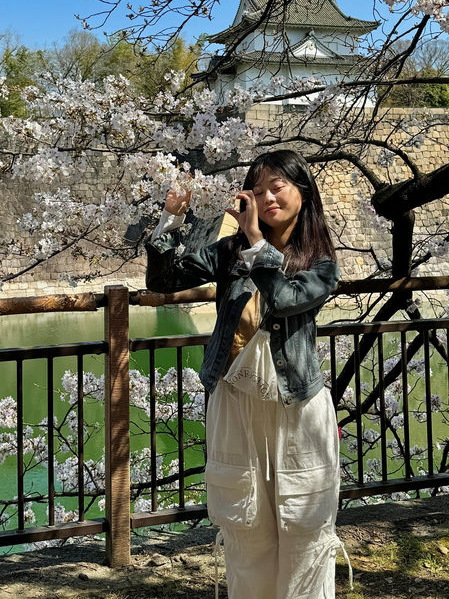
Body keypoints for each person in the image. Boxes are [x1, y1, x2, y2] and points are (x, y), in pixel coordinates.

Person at [145, 149, 350, 599]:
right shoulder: (230, 252)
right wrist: (171, 220)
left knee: (304, 526)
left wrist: (257, 242)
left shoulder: (321, 263)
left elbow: (285, 298)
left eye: (278, 187)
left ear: (303, 191)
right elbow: (163, 281)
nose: (267, 198)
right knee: (245, 525)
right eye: (258, 190)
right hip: (236, 400)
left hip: (296, 406)